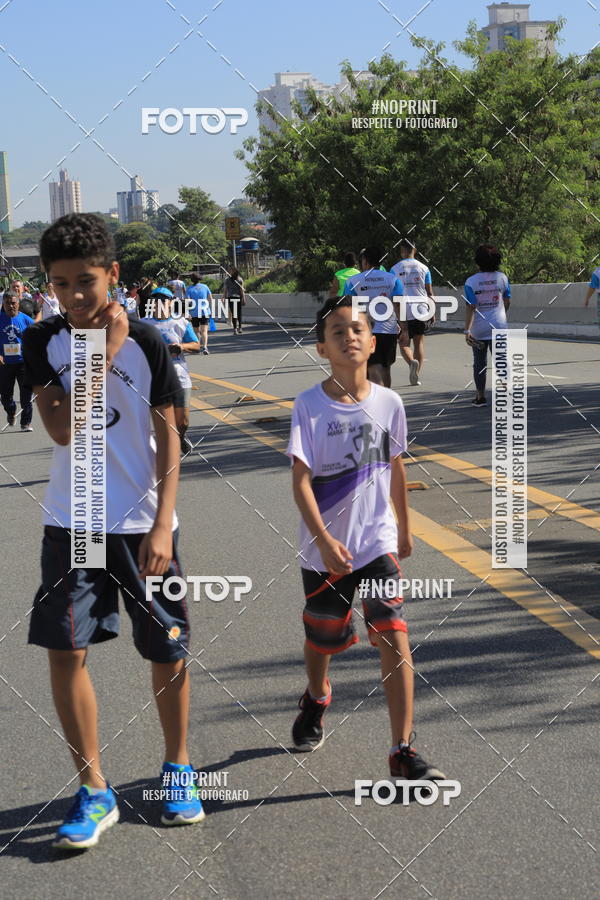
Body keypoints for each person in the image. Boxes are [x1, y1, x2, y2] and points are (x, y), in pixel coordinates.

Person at [22, 213, 205, 851]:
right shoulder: (42, 341)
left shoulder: (150, 341)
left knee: (166, 647)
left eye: (86, 281)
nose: (74, 294)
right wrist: (100, 354)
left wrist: (163, 522)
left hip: (141, 524)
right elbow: (62, 429)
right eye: (60, 283)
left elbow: (170, 437)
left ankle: (178, 767)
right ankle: (94, 789)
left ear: (113, 274)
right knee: (65, 649)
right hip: (73, 523)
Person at [286, 295, 445, 782]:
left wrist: (404, 528)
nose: (349, 337)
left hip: (376, 544)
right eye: (337, 332)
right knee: (323, 638)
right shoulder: (309, 405)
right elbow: (300, 481)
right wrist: (324, 540)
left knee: (393, 633)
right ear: (322, 348)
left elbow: (395, 467)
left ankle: (402, 749)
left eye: (357, 330)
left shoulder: (388, 403)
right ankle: (317, 696)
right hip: (324, 551)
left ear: (373, 342)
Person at [144, 286, 199, 454]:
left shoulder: (181, 322)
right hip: (155, 380)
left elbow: (197, 345)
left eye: (163, 299)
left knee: (183, 421)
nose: (159, 302)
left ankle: (181, 437)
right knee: (163, 422)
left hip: (180, 377)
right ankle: (170, 450)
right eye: (155, 299)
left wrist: (181, 347)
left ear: (171, 302)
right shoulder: (144, 324)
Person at [343, 246, 404, 387]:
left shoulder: (352, 281)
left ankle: (375, 398)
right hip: (389, 330)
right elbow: (399, 304)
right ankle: (386, 397)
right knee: (386, 369)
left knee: (371, 368)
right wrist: (404, 328)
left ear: (365, 261)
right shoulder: (393, 279)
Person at [464, 243, 511, 406]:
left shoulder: (471, 282)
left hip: (478, 328)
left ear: (477, 261)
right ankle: (507, 394)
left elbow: (471, 307)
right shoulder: (503, 278)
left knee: (479, 363)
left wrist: (467, 330)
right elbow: (507, 301)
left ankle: (480, 397)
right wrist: (501, 314)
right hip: (499, 326)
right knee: (501, 361)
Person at [391, 239, 435, 386]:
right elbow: (429, 292)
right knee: (419, 343)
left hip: (403, 310)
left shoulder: (394, 269)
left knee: (403, 343)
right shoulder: (424, 268)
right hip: (421, 309)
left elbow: (393, 293)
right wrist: (432, 311)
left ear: (402, 251)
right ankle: (416, 374)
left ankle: (412, 363)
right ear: (414, 250)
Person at [0, 289, 35, 431]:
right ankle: (11, 411)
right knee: (5, 397)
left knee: (26, 396)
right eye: (7, 303)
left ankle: (26, 423)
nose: (10, 306)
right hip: (4, 364)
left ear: (18, 304)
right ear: (3, 304)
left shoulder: (26, 320)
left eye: (13, 303)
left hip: (23, 363)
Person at [185, 275, 212, 353]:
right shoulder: (205, 287)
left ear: (192, 280)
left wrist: (187, 312)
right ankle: (205, 347)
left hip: (194, 312)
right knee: (204, 331)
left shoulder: (189, 289)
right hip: (205, 311)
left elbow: (188, 302)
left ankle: (198, 346)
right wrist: (210, 308)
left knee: (196, 331)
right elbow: (210, 298)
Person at [222, 267, 245, 334]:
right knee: (238, 313)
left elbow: (225, 290)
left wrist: (223, 297)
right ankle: (239, 328)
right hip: (237, 297)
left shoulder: (228, 280)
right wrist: (243, 298)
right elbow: (242, 290)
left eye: (231, 271)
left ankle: (236, 329)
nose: (230, 272)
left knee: (235, 313)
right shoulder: (239, 279)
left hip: (232, 298)